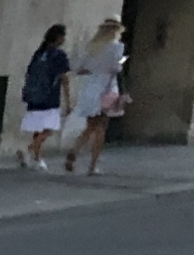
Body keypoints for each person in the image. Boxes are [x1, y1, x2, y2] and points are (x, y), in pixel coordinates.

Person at [64, 17, 128, 175]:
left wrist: (93, 69)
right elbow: (117, 69)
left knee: (90, 126)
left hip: (90, 89)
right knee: (101, 129)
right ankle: (92, 166)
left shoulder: (91, 47)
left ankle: (75, 150)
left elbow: (78, 68)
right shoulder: (117, 48)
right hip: (107, 89)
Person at [17, 24, 71, 170]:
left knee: (38, 129)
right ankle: (30, 149)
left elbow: (29, 73)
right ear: (59, 38)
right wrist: (68, 101)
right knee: (49, 129)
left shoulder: (39, 53)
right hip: (50, 98)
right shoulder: (59, 55)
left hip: (35, 97)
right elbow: (64, 79)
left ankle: (36, 158)